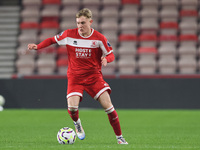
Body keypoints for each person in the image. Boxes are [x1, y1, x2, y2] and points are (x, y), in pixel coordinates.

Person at [28, 8, 128, 144]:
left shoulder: (99, 38)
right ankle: (77, 124)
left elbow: (111, 54)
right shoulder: (69, 34)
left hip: (94, 77)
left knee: (109, 107)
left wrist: (106, 59)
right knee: (72, 108)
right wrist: (38, 46)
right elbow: (52, 40)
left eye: (83, 23)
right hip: (75, 77)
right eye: (78, 23)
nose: (80, 26)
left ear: (90, 22)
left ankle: (120, 138)